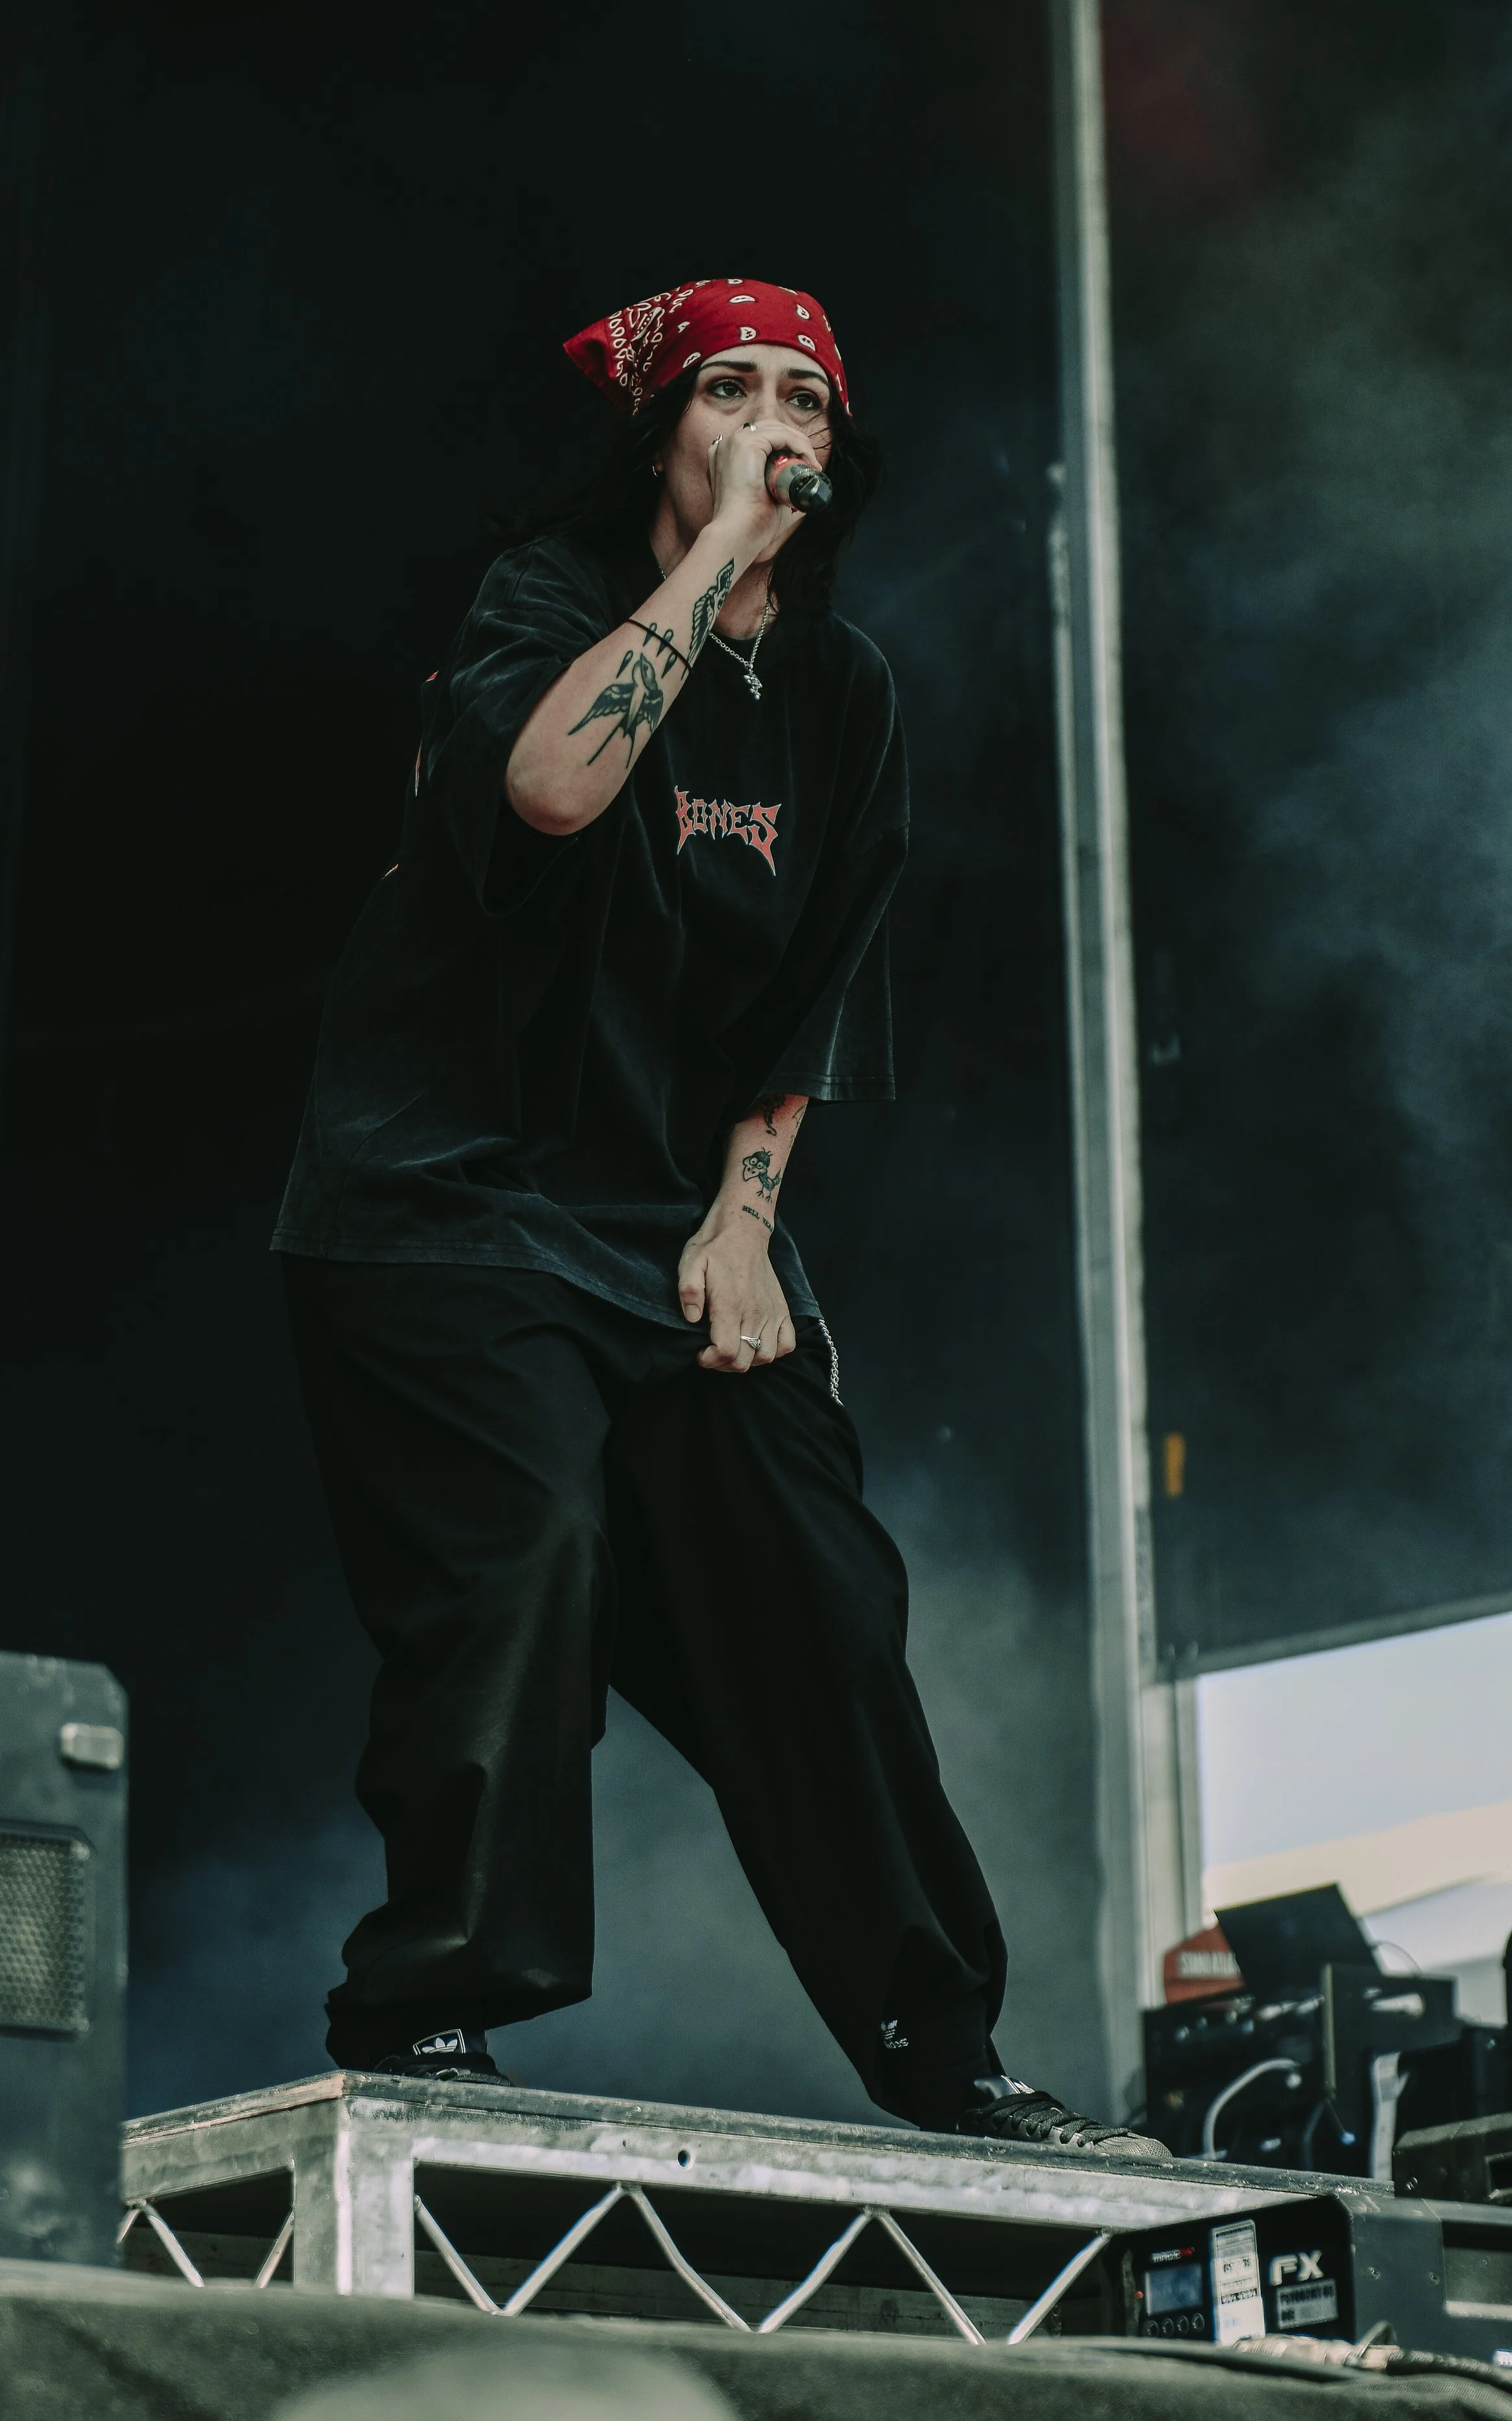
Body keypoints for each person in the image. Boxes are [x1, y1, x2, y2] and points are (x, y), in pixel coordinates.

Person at [275, 277, 1168, 2159]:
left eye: (804, 400)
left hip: (671, 1223)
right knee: (530, 1563)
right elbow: (549, 788)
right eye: (730, 391)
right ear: (661, 434)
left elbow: (811, 1002)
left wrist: (747, 1218)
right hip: (448, 1199)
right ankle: (424, 2016)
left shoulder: (847, 697)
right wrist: (709, 570)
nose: (773, 423)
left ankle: (945, 2052)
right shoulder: (544, 600)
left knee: (819, 1604)